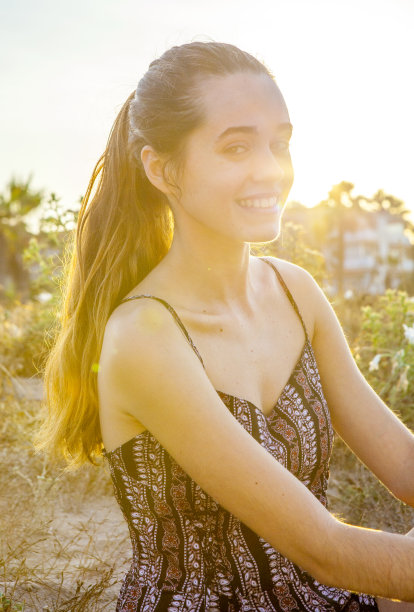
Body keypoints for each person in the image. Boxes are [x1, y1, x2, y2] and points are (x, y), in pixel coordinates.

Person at [36, 42, 414, 611]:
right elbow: (328, 549)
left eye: (279, 144)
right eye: (237, 147)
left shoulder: (295, 291)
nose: (270, 167)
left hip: (319, 597)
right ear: (161, 170)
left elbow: (406, 466)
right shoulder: (144, 334)